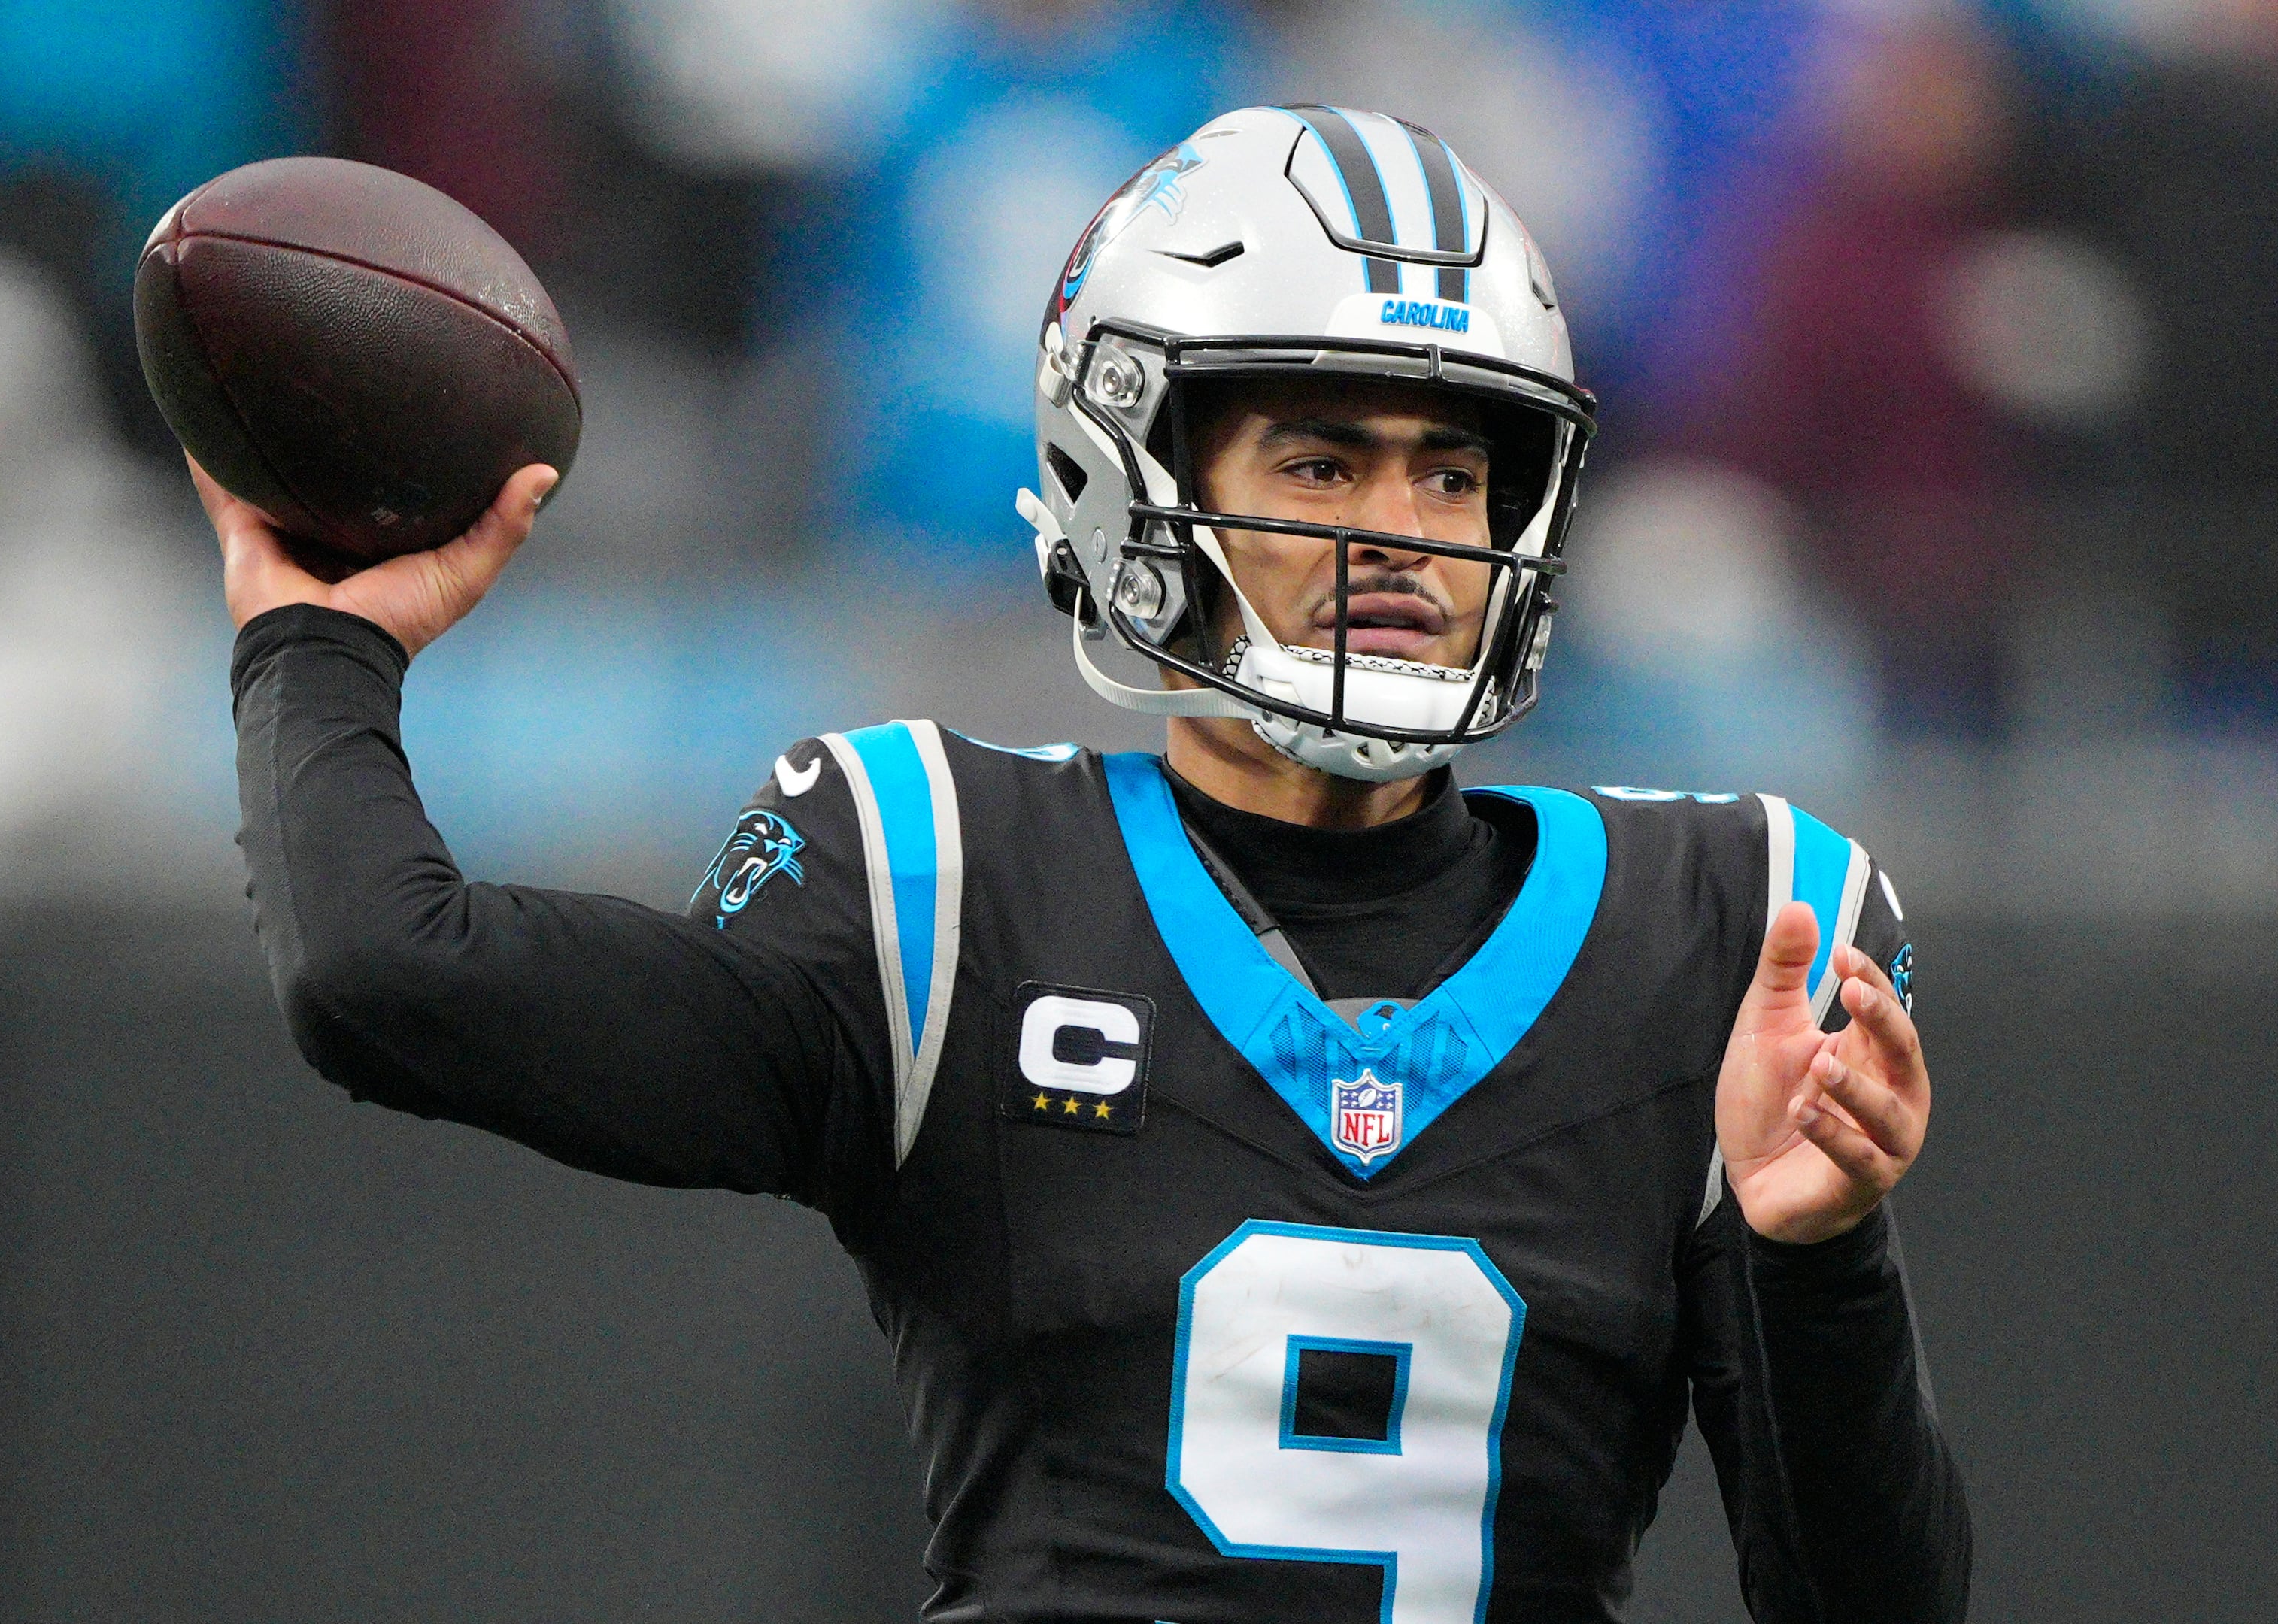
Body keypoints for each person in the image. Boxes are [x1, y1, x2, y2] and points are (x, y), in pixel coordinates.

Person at [211, 105, 1967, 1622]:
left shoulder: (1726, 934)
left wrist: (1824, 1263)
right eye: (1319, 457)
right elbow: (388, 980)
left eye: (1453, 471)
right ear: (1126, 472)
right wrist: (317, 645)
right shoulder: (946, 884)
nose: (1404, 532)